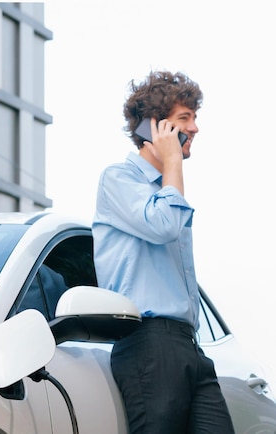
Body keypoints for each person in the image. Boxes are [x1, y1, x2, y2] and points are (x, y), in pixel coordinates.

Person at [92, 70, 235, 434]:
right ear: (155, 128)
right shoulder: (118, 180)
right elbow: (163, 225)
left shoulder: (170, 191)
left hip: (189, 346)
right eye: (185, 118)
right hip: (148, 346)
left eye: (194, 117)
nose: (196, 128)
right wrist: (172, 162)